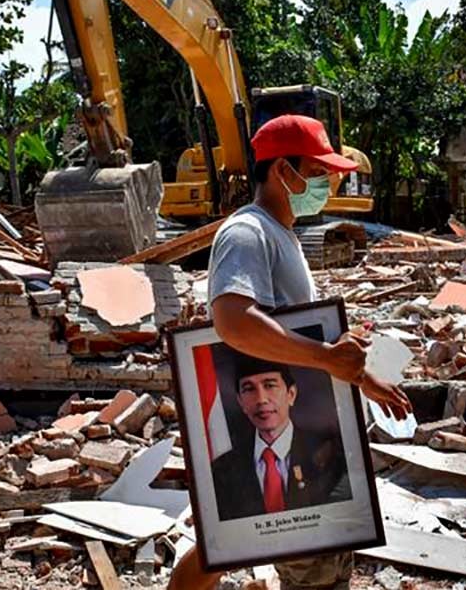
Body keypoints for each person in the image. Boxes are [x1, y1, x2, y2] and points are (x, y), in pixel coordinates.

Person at [168, 114, 412, 590]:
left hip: (300, 432)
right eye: (318, 172)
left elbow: (298, 341)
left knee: (224, 544)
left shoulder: (283, 235)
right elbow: (234, 321)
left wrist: (361, 377)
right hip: (278, 430)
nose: (328, 181)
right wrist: (326, 358)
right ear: (283, 171)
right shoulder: (247, 233)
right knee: (302, 565)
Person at [211, 352, 351, 521]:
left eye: (270, 385)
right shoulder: (223, 469)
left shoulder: (330, 454)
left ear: (291, 394)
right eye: (249, 389)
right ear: (241, 402)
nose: (261, 399)